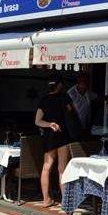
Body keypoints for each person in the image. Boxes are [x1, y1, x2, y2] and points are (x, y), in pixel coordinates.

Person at [34, 74, 73, 207]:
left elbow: (37, 121)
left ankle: (46, 199)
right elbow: (73, 112)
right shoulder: (65, 97)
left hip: (49, 136)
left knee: (46, 168)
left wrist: (49, 124)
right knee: (62, 168)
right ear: (60, 85)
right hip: (63, 135)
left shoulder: (44, 100)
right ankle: (65, 202)